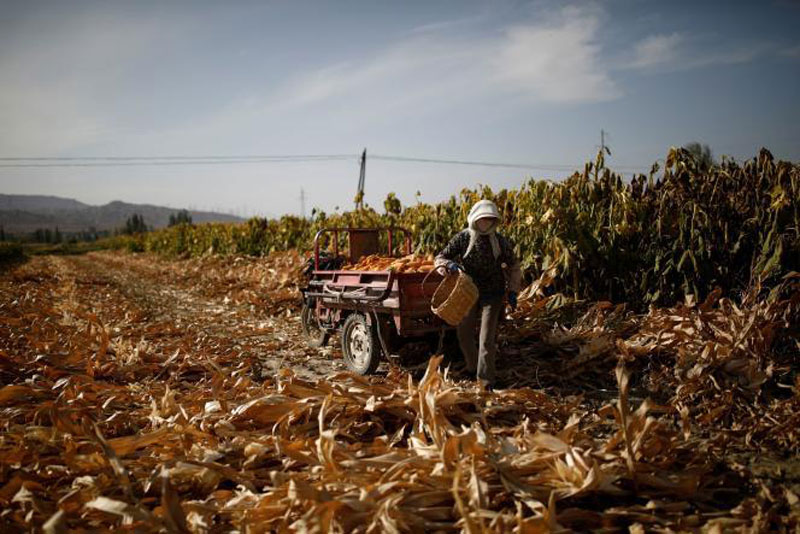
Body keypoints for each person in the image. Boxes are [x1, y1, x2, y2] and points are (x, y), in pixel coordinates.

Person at [434, 199, 522, 388]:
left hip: (493, 292)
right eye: (482, 219)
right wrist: (448, 265)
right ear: (474, 218)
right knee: (464, 333)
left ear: (494, 221)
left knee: (486, 338)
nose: (485, 223)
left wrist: (513, 291)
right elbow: (441, 257)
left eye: (489, 220)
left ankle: (485, 380)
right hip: (468, 291)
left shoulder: (499, 241)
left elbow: (514, 266)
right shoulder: (464, 238)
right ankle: (473, 367)